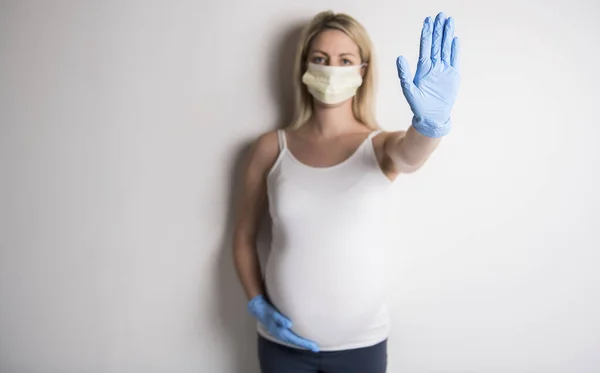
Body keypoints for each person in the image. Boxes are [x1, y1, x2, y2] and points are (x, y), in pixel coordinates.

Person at [233, 10, 460, 373]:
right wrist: (257, 303)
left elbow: (411, 155)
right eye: (320, 59)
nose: (331, 69)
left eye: (345, 60)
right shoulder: (270, 148)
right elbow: (244, 237)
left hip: (361, 346)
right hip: (281, 346)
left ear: (362, 71)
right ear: (304, 66)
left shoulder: (380, 146)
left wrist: (430, 127)